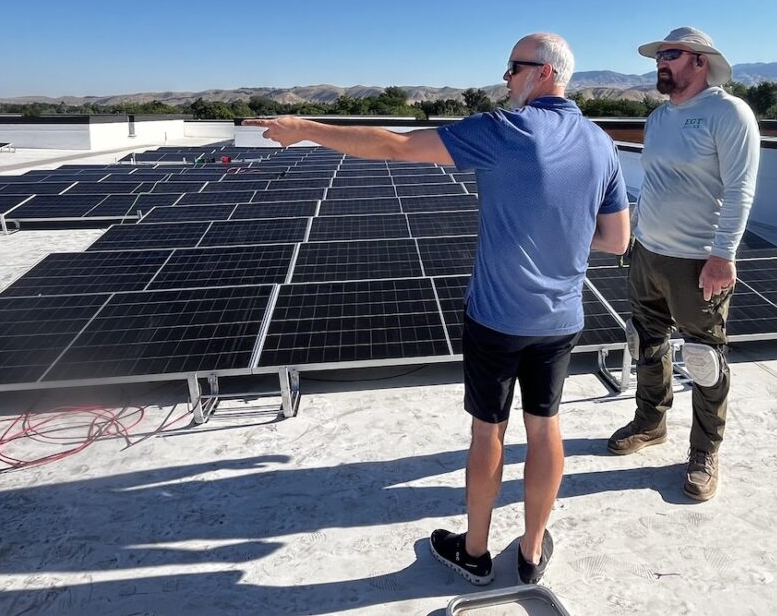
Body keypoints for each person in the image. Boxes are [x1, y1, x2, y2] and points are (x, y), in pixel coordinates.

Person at [245, 33, 629, 584]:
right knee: (545, 430)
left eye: (512, 68)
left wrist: (305, 129)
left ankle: (474, 552)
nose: (505, 77)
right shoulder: (601, 142)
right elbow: (615, 240)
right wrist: (560, 235)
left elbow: (395, 146)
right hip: (560, 320)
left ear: (542, 73)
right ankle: (530, 552)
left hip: (497, 318)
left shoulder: (505, 129)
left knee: (487, 432)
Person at [607, 26, 760, 503]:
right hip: (648, 252)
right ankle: (651, 422)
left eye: (670, 55)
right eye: (658, 56)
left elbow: (740, 190)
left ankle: (705, 450)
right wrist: (635, 238)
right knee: (647, 344)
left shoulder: (729, 113)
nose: (661, 63)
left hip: (698, 261)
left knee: (704, 358)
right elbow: (653, 184)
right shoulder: (658, 118)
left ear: (700, 61)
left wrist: (723, 255)